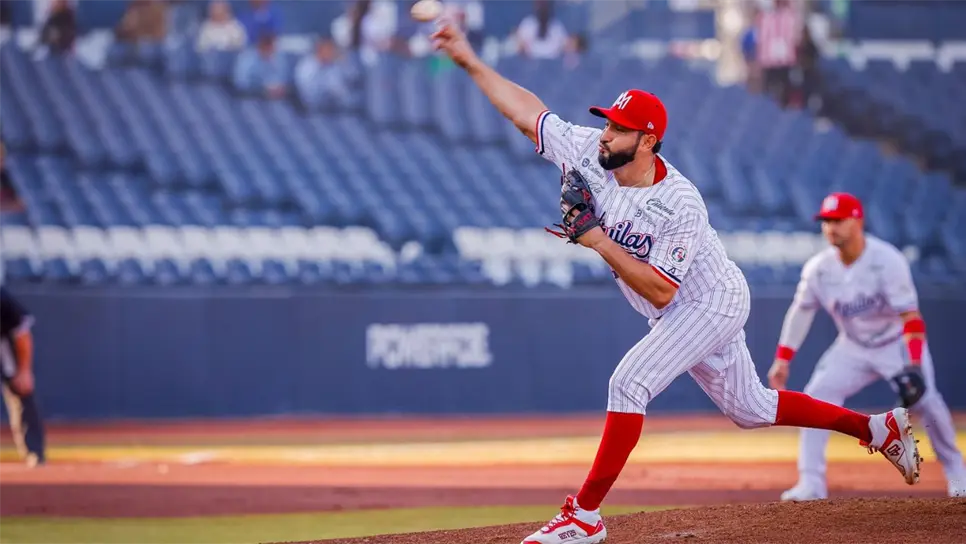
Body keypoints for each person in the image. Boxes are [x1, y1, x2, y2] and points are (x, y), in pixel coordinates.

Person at [430, 20, 922, 544]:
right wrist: (470, 61)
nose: (605, 133)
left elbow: (662, 289)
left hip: (711, 300)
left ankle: (585, 516)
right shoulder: (589, 153)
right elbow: (528, 114)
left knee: (628, 382)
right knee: (752, 409)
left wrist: (596, 239)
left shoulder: (680, 202)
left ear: (647, 140)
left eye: (619, 128)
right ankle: (876, 428)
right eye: (607, 122)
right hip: (676, 307)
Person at [769, 192, 966, 500]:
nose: (830, 227)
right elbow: (801, 311)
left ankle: (957, 473)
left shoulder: (887, 260)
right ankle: (811, 481)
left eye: (838, 220)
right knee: (816, 396)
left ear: (857, 221)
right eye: (826, 221)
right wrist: (783, 358)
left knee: (927, 402)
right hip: (853, 346)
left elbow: (911, 318)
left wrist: (914, 365)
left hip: (895, 343)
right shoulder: (819, 268)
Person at [0, 286, 45, 467]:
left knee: (22, 392)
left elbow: (22, 332)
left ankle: (34, 452)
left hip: (3, 351)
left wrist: (24, 370)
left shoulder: (2, 299)